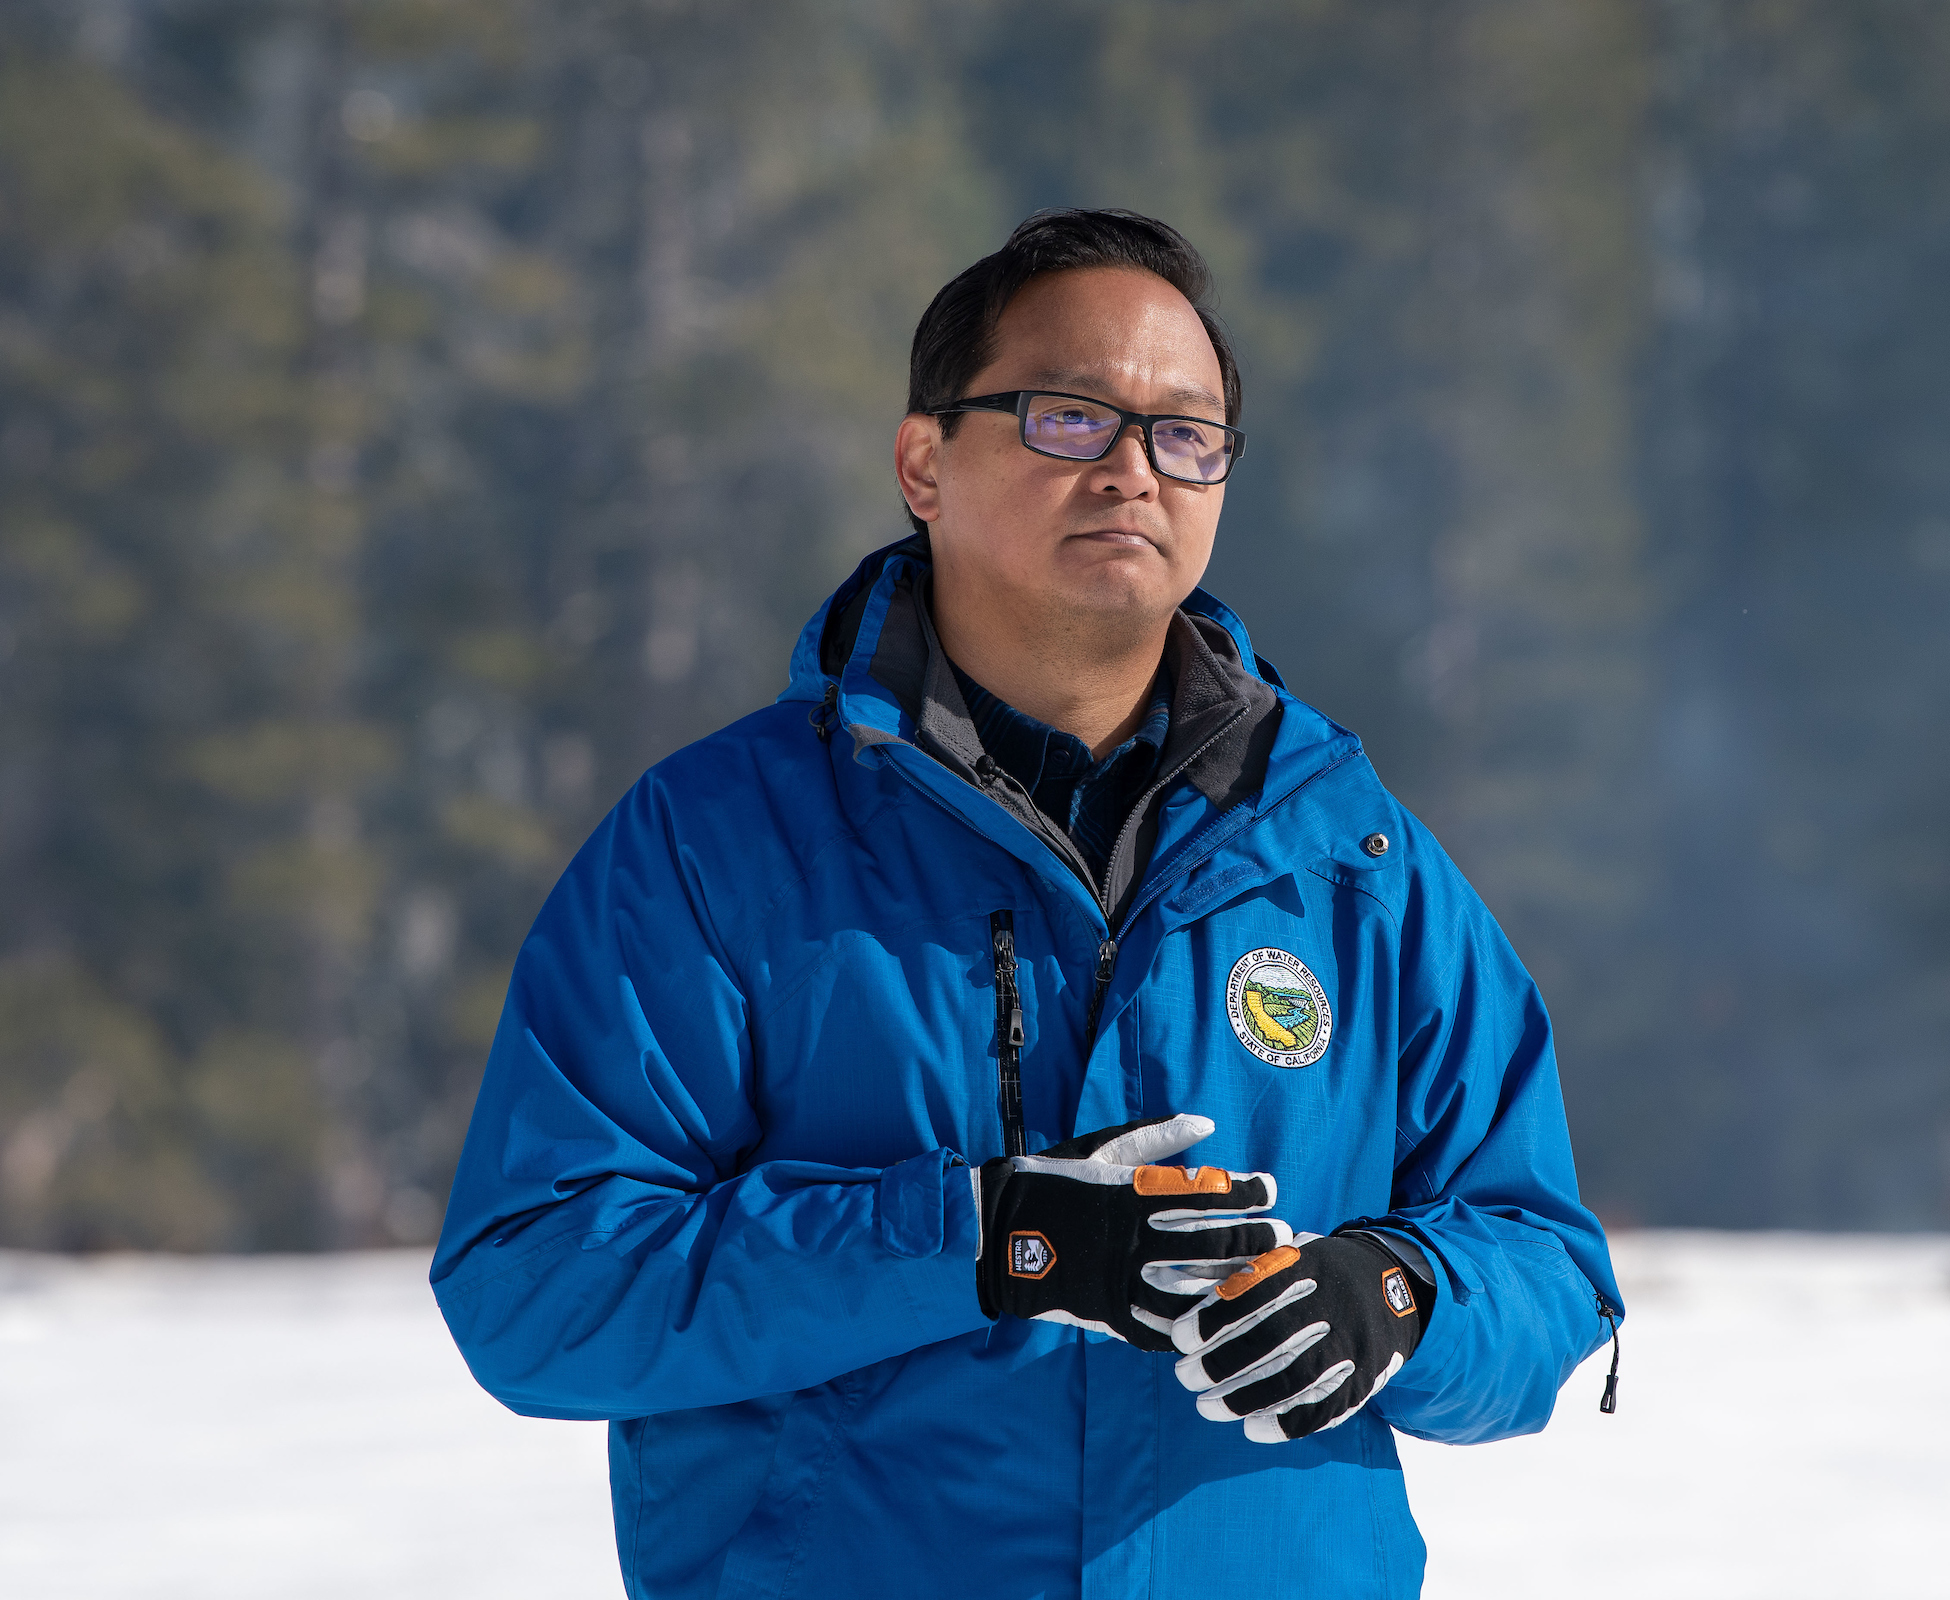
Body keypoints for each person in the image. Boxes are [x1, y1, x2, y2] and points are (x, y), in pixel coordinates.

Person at [432, 207, 1623, 1600]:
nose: (1134, 470)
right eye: (1069, 417)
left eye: (1186, 436)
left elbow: (1542, 1250)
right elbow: (541, 1286)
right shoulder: (714, 847)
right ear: (923, 461)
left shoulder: (1350, 860)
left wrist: (1399, 1296)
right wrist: (992, 1240)